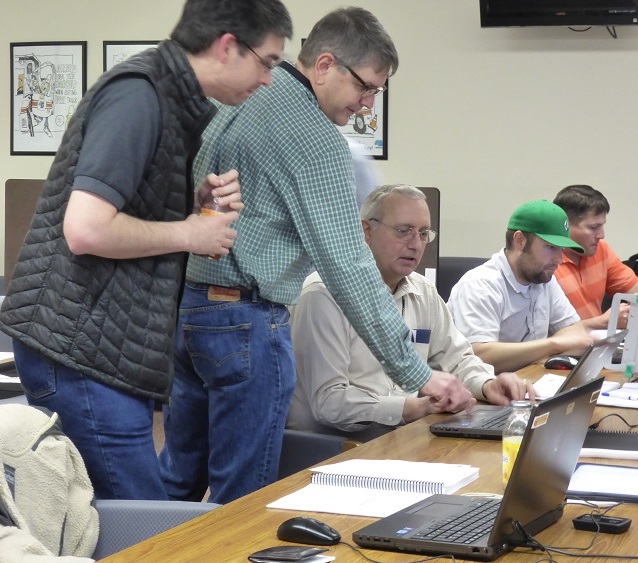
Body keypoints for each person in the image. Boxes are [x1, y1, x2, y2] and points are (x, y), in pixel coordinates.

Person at [159, 7, 474, 505]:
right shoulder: (314, 135)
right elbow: (348, 263)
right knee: (242, 500)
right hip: (247, 321)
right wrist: (417, 374)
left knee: (174, 487)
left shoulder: (236, 100)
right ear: (324, 65)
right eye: (365, 88)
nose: (368, 105)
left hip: (194, 310)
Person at [0, 0, 293, 500]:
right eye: (266, 62)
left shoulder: (167, 99)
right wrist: (188, 233)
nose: (268, 79)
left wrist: (188, 200)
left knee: (122, 517)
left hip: (97, 347)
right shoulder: (139, 95)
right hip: (80, 349)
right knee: (141, 532)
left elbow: (120, 206)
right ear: (227, 46)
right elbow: (86, 230)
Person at [286, 184, 534, 440]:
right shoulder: (322, 296)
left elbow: (457, 357)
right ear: (365, 231)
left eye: (424, 233)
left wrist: (487, 384)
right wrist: (409, 409)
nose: (416, 244)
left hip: (399, 434)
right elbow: (329, 402)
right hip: (333, 447)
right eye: (403, 231)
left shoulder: (423, 291)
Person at [447, 199, 597, 374]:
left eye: (561, 249)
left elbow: (575, 333)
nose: (559, 259)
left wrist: (546, 350)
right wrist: (553, 345)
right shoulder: (480, 285)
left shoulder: (544, 279)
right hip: (481, 393)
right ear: (520, 240)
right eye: (550, 247)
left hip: (529, 381)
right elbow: (480, 356)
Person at [553, 185, 638, 327]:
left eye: (601, 226)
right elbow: (548, 333)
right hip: (563, 347)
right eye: (593, 227)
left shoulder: (600, 249)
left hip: (597, 344)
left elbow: (635, 290)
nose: (601, 235)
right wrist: (604, 322)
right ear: (565, 226)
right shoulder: (546, 262)